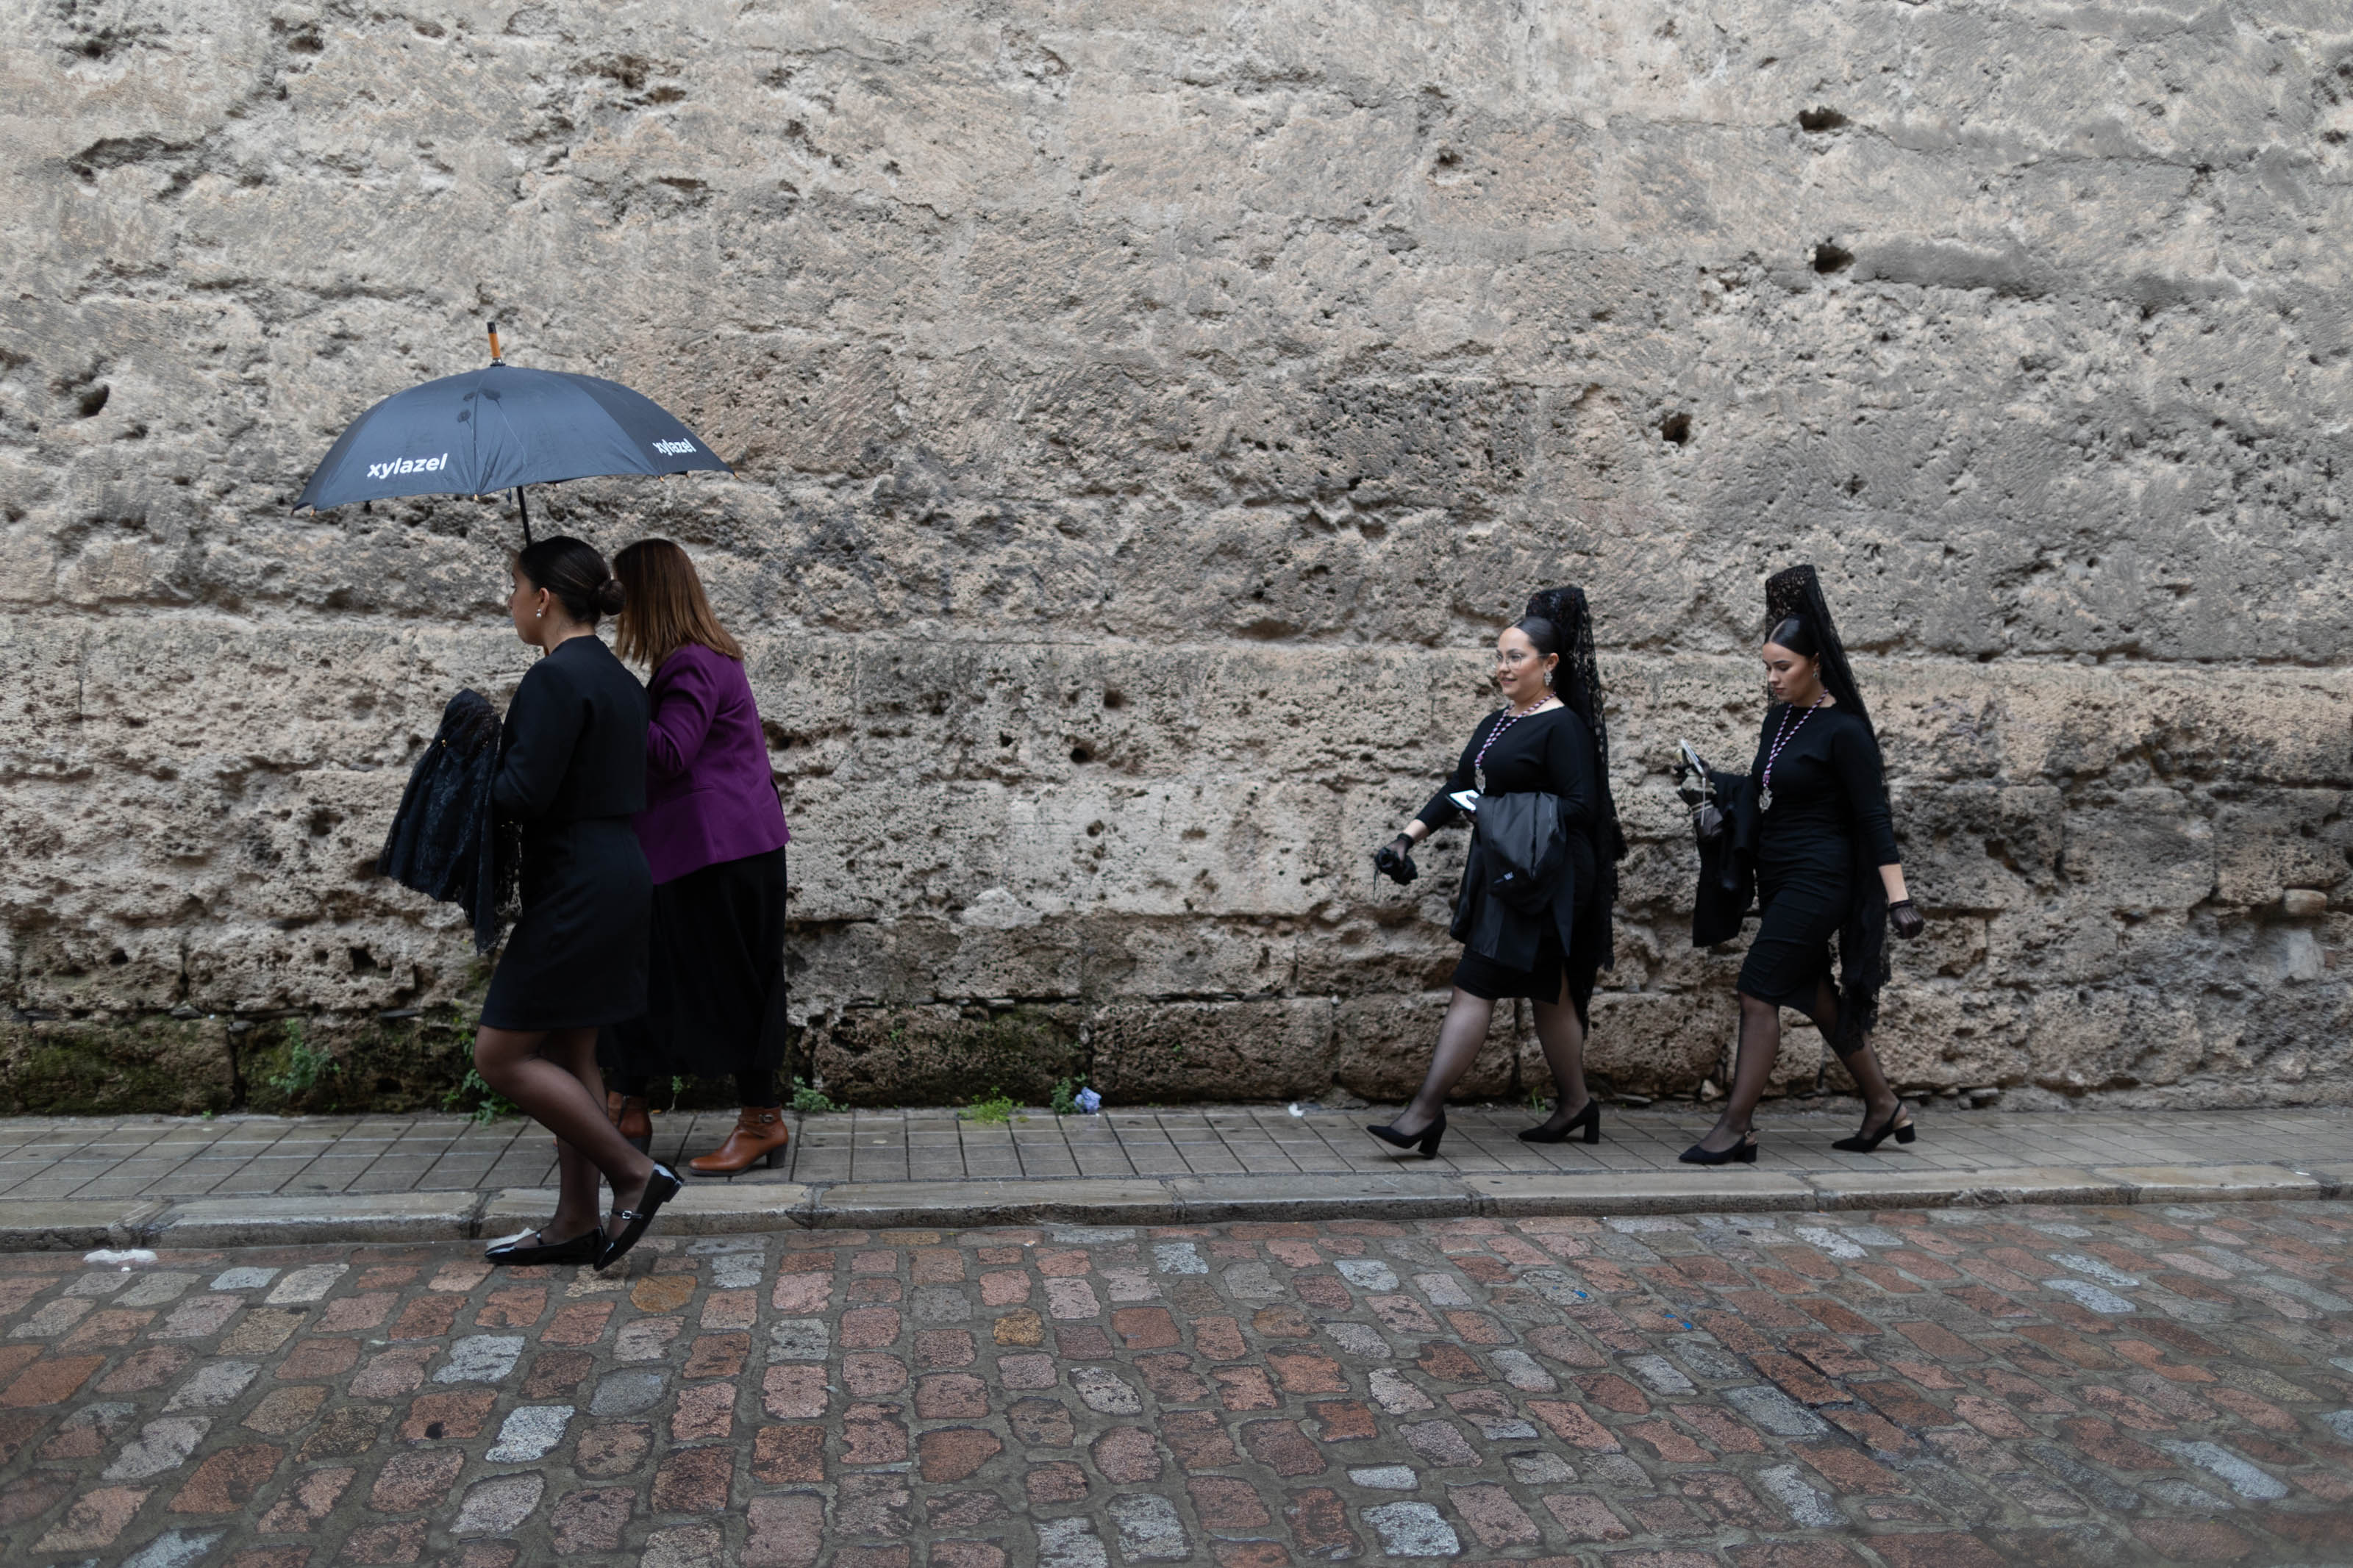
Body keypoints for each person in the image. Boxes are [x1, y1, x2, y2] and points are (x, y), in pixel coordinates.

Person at [475, 536, 682, 1269]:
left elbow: (522, 796)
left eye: (512, 587)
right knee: (574, 1049)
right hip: (617, 869)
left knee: (498, 1055)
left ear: (543, 599)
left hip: (573, 883)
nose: (508, 603)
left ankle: (631, 1174)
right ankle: (573, 1221)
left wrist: (480, 755)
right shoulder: (621, 681)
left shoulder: (555, 680)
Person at [1677, 565, 1927, 1165]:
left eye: (1782, 667)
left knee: (1756, 991)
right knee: (1815, 993)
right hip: (1782, 872)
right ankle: (1883, 1104)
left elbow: (1873, 818)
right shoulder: (1780, 720)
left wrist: (1898, 899)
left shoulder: (1846, 731)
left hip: (1824, 877)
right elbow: (1771, 789)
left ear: (1816, 661)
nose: (1772, 678)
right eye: (1767, 667)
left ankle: (1736, 1127)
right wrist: (1712, 785)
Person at [1367, 587, 1624, 1157]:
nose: (1502, 667)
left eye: (1516, 657)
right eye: (1500, 655)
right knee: (1549, 992)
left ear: (1549, 664)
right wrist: (1407, 838)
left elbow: (1584, 808)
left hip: (1545, 882)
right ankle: (1578, 1103)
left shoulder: (1564, 728)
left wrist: (1497, 810)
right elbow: (1462, 788)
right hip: (1506, 873)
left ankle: (1423, 1113)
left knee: (1474, 983)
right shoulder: (1497, 723)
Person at [599, 539, 794, 1175]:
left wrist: (606, 693)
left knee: (736, 985)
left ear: (649, 597)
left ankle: (761, 1121)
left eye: (623, 596)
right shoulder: (700, 658)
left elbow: (669, 751)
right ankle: (626, 1103)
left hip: (721, 856)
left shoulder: (691, 665)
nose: (617, 609)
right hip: (713, 852)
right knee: (648, 975)